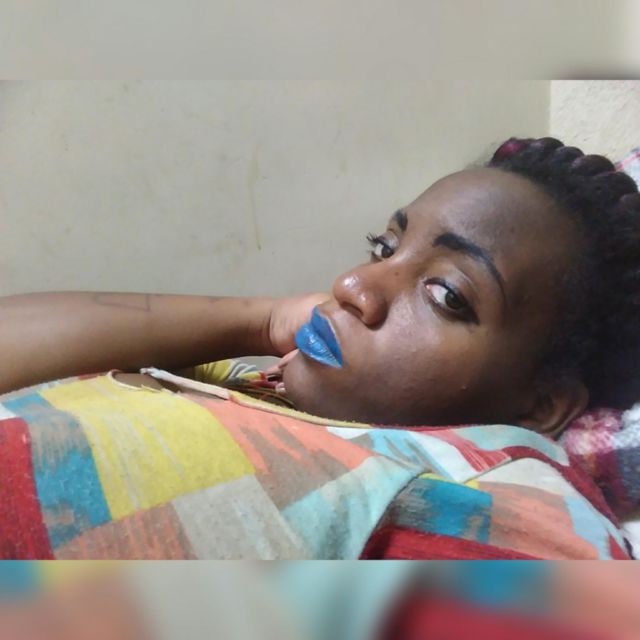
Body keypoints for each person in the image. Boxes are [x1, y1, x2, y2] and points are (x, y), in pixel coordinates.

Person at [1, 137, 638, 560]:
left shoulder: (507, 492)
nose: (353, 285)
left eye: (446, 293)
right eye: (385, 247)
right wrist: (265, 320)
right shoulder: (257, 384)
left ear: (540, 405)